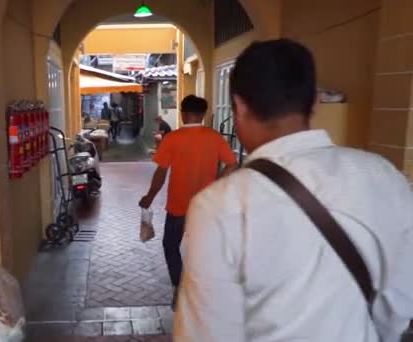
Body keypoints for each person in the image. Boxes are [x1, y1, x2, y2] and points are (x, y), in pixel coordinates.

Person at [175, 39, 413, 341]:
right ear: (314, 102)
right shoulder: (383, 175)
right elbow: (400, 301)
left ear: (238, 107)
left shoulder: (218, 205)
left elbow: (205, 332)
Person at [139, 95, 239, 309]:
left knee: (170, 245)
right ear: (203, 115)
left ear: (183, 113)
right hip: (207, 207)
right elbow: (232, 164)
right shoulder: (214, 137)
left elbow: (161, 172)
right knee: (203, 248)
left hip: (178, 206)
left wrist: (149, 197)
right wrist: (216, 186)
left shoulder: (172, 138)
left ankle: (180, 287)